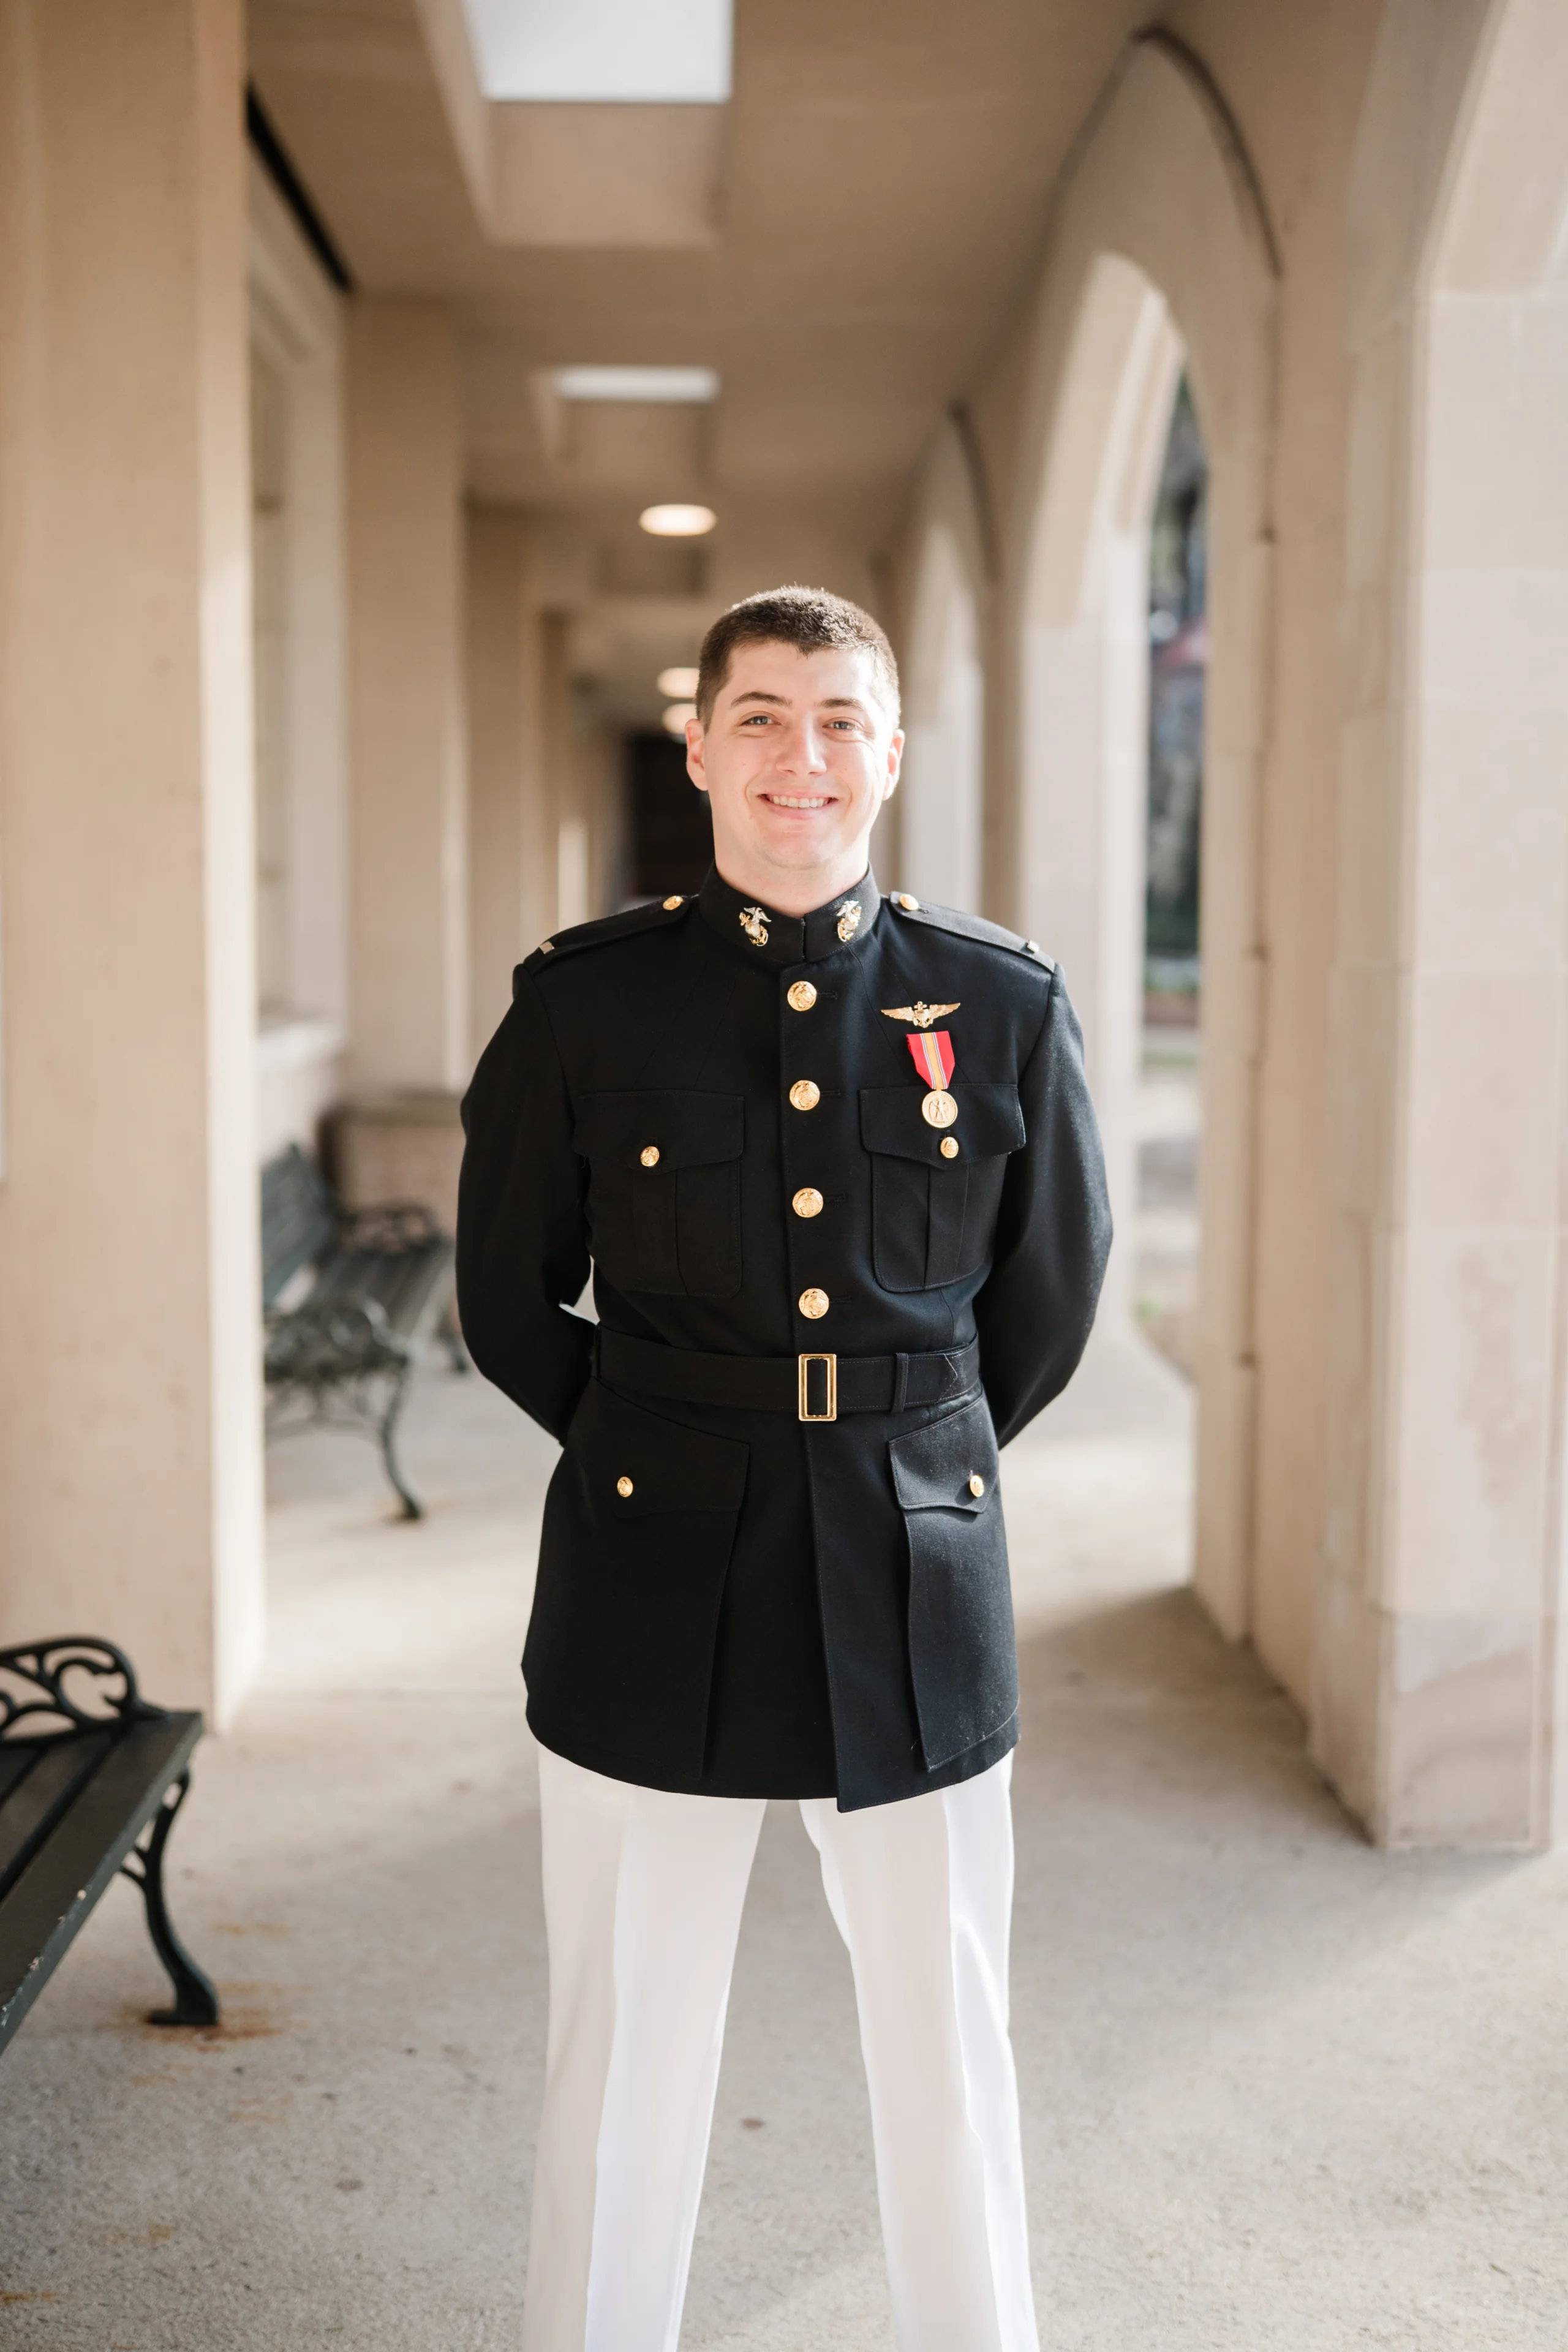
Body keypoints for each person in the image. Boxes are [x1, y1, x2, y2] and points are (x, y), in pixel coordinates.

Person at [457, 584, 1110, 2351]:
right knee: (627, 2050)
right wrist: (667, 1444)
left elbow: (1043, 1309)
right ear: (699, 749)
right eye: (759, 716)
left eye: (837, 719)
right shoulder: (586, 1007)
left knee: (945, 2037)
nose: (799, 756)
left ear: (889, 756)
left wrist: (901, 1456)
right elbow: (509, 1303)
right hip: (649, 1569)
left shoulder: (999, 1006)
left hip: (911, 1569)